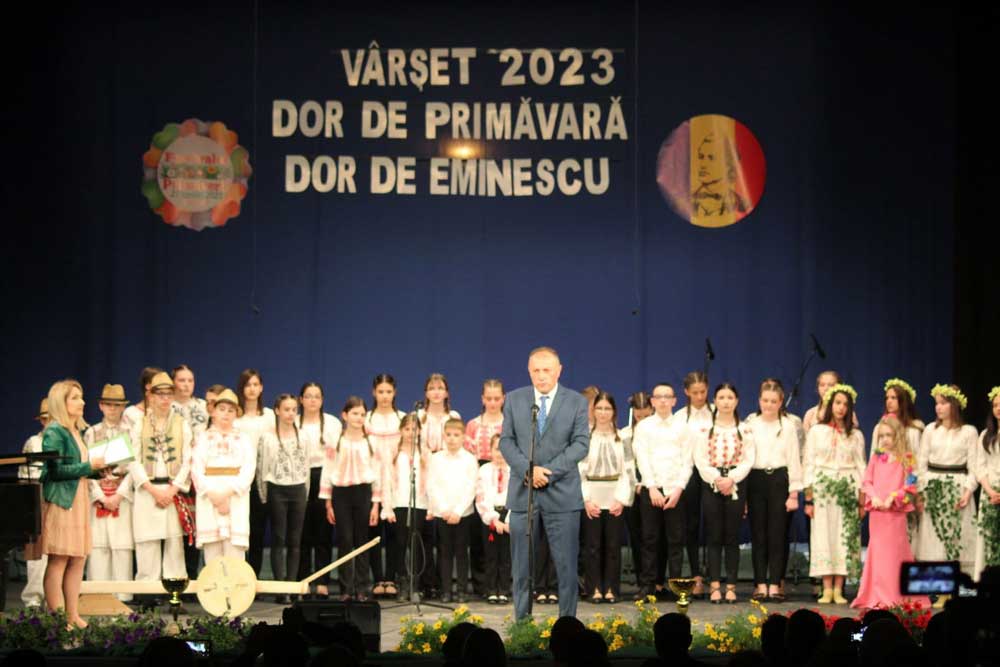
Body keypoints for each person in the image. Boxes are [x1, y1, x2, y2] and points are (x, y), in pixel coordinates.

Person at [499, 346, 589, 620]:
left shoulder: (576, 402)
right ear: (529, 371)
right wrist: (529, 471)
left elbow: (581, 444)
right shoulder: (514, 399)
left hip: (562, 494)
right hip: (523, 494)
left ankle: (567, 625)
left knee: (566, 568)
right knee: (521, 568)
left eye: (546, 370)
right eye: (536, 370)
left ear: (559, 371)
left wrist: (547, 472)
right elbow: (506, 442)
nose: (541, 376)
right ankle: (522, 626)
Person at [40, 379, 106, 629]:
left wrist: (98, 471)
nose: (82, 402)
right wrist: (89, 467)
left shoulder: (75, 431)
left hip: (78, 499)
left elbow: (79, 468)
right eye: (75, 398)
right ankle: (58, 618)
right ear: (61, 402)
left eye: (81, 397)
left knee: (78, 559)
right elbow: (55, 470)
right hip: (62, 501)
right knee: (59, 560)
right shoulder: (55, 431)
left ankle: (72, 615)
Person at [852, 416, 930, 609]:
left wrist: (893, 497)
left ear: (898, 435)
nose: (885, 439)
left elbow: (910, 485)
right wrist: (874, 497)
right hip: (878, 514)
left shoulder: (907, 458)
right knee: (878, 554)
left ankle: (896, 594)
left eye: (889, 435)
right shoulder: (877, 457)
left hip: (895, 514)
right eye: (882, 436)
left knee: (895, 554)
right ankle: (877, 593)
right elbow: (867, 481)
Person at [129, 372, 193, 587]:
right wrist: (151, 488)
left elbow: (187, 460)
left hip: (172, 490)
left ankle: (174, 589)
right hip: (148, 490)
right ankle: (148, 591)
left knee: (174, 543)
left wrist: (173, 489)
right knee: (147, 542)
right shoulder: (140, 424)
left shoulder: (182, 424)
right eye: (160, 394)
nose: (165, 399)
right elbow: (133, 459)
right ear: (151, 396)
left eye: (169, 394)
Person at [803, 383, 865, 604]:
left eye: (845, 404)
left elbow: (861, 467)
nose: (841, 408)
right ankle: (826, 587)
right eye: (837, 403)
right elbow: (809, 464)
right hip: (823, 489)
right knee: (823, 536)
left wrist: (862, 500)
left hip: (847, 487)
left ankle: (839, 588)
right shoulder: (817, 431)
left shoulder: (855, 435)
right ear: (830, 404)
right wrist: (808, 498)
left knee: (844, 536)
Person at [693, 383, 755, 604]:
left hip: (735, 484)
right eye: (721, 397)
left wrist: (732, 479)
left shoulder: (745, 429)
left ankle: (731, 586)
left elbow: (748, 459)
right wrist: (717, 479)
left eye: (730, 397)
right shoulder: (705, 429)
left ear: (736, 401)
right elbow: (700, 459)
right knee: (714, 536)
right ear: (715, 401)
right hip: (712, 484)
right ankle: (714, 585)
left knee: (731, 536)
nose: (726, 402)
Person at [916, 384, 979, 590]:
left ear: (954, 404)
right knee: (932, 539)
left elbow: (974, 467)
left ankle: (953, 585)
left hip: (957, 487)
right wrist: (922, 491)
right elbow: (921, 464)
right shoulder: (930, 430)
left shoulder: (968, 432)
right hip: (933, 487)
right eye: (937, 403)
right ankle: (934, 586)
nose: (938, 407)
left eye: (943, 403)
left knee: (954, 537)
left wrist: (967, 491)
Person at [744, 379, 802, 602]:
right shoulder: (751, 424)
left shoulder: (787, 426)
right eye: (765, 400)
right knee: (758, 534)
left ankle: (776, 583)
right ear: (759, 401)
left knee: (777, 534)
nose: (768, 405)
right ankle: (760, 583)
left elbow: (794, 459)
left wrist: (793, 492)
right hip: (756, 479)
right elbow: (745, 457)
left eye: (773, 401)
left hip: (779, 479)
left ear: (780, 402)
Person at [319, 397, 381, 601]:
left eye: (362, 414)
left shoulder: (371, 441)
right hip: (341, 494)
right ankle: (346, 588)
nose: (359, 418)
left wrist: (375, 504)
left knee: (362, 540)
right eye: (355, 413)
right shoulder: (336, 441)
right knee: (345, 540)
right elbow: (328, 470)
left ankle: (362, 588)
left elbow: (377, 473)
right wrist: (328, 501)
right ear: (344, 415)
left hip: (363, 493)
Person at [83, 383, 135, 602]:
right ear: (101, 406)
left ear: (123, 407)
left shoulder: (131, 432)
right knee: (98, 546)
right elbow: (86, 466)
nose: (113, 409)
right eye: (108, 404)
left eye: (117, 405)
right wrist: (101, 497)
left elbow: (135, 467)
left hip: (122, 495)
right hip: (99, 495)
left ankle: (122, 597)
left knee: (122, 547)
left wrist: (119, 495)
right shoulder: (91, 432)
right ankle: (97, 596)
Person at [580, 391, 632, 604]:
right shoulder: (585, 437)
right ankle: (593, 588)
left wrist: (621, 499)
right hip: (592, 495)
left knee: (612, 546)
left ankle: (611, 588)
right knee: (592, 546)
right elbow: (580, 470)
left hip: (614, 495)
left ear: (614, 412)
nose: (603, 413)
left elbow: (628, 470)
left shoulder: (623, 438)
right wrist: (586, 500)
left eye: (607, 408)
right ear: (593, 411)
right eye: (599, 408)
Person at [259, 394, 309, 600]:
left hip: (298, 489)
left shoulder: (303, 436)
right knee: (278, 538)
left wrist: (305, 491)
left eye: (294, 410)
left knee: (295, 540)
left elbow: (306, 466)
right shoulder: (268, 437)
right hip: (277, 489)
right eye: (286, 409)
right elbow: (262, 468)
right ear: (277, 411)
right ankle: (280, 588)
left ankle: (292, 585)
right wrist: (264, 495)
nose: (290, 414)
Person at [297, 381, 341, 595]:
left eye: (316, 396)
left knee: (323, 533)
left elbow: (338, 455)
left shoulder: (332, 423)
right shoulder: (294, 422)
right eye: (308, 396)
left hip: (325, 477)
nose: (312, 400)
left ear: (322, 400)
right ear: (301, 400)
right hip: (299, 478)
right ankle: (304, 580)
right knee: (303, 533)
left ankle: (322, 580)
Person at [428, 418, 479, 602]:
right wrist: (443, 509)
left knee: (461, 552)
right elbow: (432, 485)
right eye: (448, 435)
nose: (452, 439)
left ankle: (462, 590)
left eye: (456, 435)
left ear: (463, 437)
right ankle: (446, 590)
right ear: (444, 436)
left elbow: (471, 487)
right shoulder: (436, 458)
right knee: (445, 552)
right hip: (443, 513)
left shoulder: (469, 459)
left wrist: (458, 511)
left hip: (462, 514)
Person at [364, 374, 406, 597]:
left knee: (394, 533)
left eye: (388, 392)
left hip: (396, 483)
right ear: (374, 393)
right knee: (373, 532)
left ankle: (391, 578)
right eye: (380, 392)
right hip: (372, 482)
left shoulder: (402, 418)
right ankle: (377, 578)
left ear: (394, 393)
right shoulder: (367, 419)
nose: (384, 396)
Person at [465, 379, 505, 598]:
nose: (492, 402)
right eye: (488, 398)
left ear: (503, 399)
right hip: (480, 474)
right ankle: (482, 584)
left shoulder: (509, 423)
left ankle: (502, 584)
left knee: (503, 542)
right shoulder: (473, 425)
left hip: (504, 474)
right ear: (482, 399)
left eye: (496, 398)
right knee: (480, 536)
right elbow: (468, 455)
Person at [382, 413, 428, 599]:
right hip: (399, 503)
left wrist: (431, 506)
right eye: (407, 429)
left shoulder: (424, 453)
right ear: (401, 430)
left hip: (420, 504)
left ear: (420, 431)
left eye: (414, 429)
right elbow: (386, 480)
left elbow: (431, 480)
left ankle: (415, 585)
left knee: (415, 544)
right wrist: (387, 507)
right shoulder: (394, 452)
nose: (410, 433)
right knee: (399, 544)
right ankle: (402, 582)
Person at [235, 369, 275, 577]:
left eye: (255, 384)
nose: (252, 389)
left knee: (258, 530)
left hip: (262, 479)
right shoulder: (235, 417)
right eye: (248, 385)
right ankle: (240, 574)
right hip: (240, 479)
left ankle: (254, 575)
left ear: (261, 388)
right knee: (241, 530)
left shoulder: (269, 416)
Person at [677, 371, 712, 598]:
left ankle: (714, 576)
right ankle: (696, 575)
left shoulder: (716, 413)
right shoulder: (680, 417)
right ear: (686, 392)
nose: (699, 396)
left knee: (713, 524)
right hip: (689, 474)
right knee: (691, 524)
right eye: (695, 392)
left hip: (712, 474)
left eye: (703, 392)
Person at [19, 398, 50, 607]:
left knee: (58, 551)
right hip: (37, 497)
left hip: (58, 498)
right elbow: (24, 473)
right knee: (36, 551)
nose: (48, 422)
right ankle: (33, 596)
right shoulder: (33, 442)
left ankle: (55, 596)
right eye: (45, 419)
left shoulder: (66, 439)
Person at [620, 391, 652, 589]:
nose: (642, 420)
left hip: (654, 487)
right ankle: (642, 580)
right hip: (632, 490)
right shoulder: (625, 434)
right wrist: (636, 483)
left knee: (652, 536)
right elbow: (627, 462)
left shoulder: (658, 432)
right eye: (639, 416)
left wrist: (647, 482)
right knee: (637, 535)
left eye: (646, 416)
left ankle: (655, 580)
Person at [476, 434, 511, 603]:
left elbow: (518, 496)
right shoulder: (484, 470)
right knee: (491, 555)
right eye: (497, 449)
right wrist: (494, 519)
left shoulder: (514, 470)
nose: (500, 453)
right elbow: (480, 496)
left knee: (505, 556)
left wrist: (508, 520)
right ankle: (490, 589)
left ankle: (504, 589)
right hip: (490, 517)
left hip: (509, 516)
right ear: (490, 450)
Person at [973, 386, 1000, 579]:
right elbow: (979, 466)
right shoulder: (985, 435)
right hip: (989, 493)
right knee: (988, 538)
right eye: (995, 405)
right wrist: (990, 491)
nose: (998, 408)